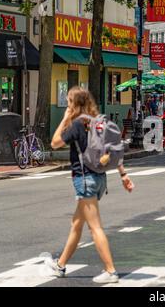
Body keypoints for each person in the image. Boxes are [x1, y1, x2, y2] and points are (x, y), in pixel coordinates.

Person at [48, 86, 134, 284]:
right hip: (99, 179)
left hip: (85, 178)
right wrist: (123, 175)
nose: (67, 105)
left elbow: (54, 143)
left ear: (74, 105)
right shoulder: (97, 123)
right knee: (76, 224)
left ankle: (111, 271)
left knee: (95, 228)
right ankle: (60, 265)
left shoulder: (77, 125)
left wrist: (64, 118)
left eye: (69, 102)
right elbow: (110, 150)